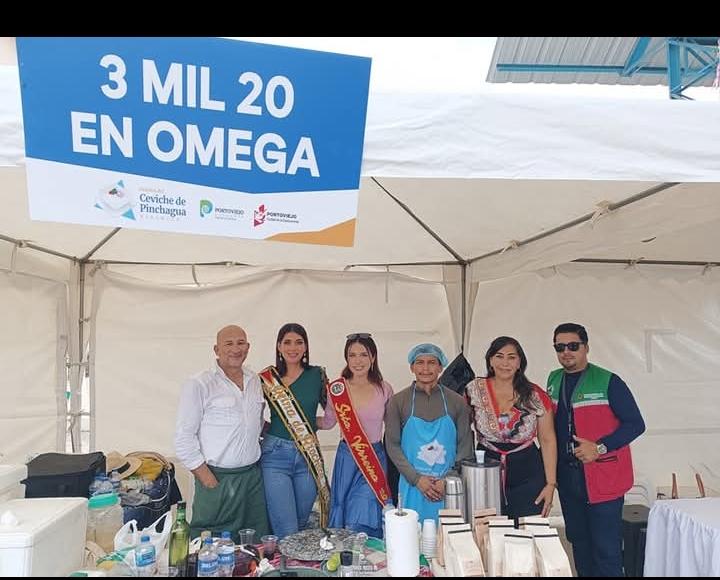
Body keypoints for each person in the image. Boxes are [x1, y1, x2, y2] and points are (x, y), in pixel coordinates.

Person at [547, 323, 645, 577]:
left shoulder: (609, 381)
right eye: (560, 347)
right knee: (580, 546)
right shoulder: (553, 379)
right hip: (569, 479)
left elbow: (636, 424)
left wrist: (599, 447)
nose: (566, 352)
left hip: (602, 479)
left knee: (606, 552)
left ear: (586, 347)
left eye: (573, 346)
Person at [174, 325, 270, 541]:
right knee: (212, 546)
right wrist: (207, 479)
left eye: (241, 343)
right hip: (217, 478)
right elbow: (183, 437)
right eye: (229, 344)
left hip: (252, 479)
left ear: (248, 347)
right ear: (216, 350)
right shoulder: (199, 383)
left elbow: (256, 422)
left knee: (255, 544)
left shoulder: (255, 380)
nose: (236, 349)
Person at [465, 336, 558, 520]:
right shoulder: (473, 390)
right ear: (490, 360)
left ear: (519, 363)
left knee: (527, 530)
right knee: (487, 530)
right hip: (485, 473)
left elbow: (547, 440)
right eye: (499, 356)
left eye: (511, 357)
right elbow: (461, 429)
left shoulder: (535, 394)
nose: (505, 363)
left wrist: (550, 484)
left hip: (528, 474)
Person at [384, 343, 474, 523]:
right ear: (412, 367)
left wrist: (447, 480)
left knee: (449, 533)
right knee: (412, 533)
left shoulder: (457, 402)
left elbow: (465, 446)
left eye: (432, 362)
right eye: (420, 363)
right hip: (412, 486)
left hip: (448, 488)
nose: (425, 368)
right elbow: (392, 445)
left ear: (441, 367)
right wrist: (417, 479)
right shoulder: (398, 402)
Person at [258, 323, 331, 539]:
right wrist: (273, 428)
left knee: (301, 523)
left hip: (307, 457)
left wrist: (309, 425)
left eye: (299, 342)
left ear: (306, 347)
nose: (293, 348)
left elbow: (332, 415)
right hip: (275, 457)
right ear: (279, 346)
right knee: (286, 528)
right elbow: (251, 415)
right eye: (287, 342)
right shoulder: (266, 379)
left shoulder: (317, 375)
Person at [320, 333, 394, 538]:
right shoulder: (337, 389)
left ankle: (366, 551)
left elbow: (393, 424)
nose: (358, 361)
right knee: (343, 509)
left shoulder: (384, 389)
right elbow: (328, 422)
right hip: (347, 457)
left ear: (373, 357)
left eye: (363, 354)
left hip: (374, 457)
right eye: (352, 355)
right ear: (346, 358)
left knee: (363, 507)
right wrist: (301, 421)